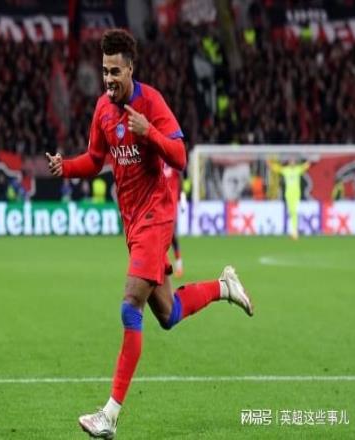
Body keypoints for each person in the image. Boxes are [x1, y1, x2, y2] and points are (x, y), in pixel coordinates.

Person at [46, 29, 254, 439]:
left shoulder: (152, 103)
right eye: (105, 71)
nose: (109, 79)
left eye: (115, 71)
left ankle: (109, 415)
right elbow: (95, 159)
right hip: (133, 223)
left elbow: (180, 156)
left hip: (156, 218)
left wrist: (149, 133)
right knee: (168, 314)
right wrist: (65, 167)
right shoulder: (103, 110)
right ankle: (224, 287)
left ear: (130, 69)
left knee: (130, 307)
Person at [268, 158, 310, 240]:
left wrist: (309, 160)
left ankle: (294, 232)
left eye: (293, 161)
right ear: (289, 163)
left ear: (295, 163)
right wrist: (270, 164)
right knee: (291, 212)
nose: (292, 163)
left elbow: (306, 166)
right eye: (291, 161)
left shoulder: (298, 169)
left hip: (296, 194)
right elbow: (277, 168)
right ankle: (294, 231)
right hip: (288, 194)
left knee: (294, 212)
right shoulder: (286, 170)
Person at [163, 163, 184, 277]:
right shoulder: (158, 161)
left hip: (172, 202)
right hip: (159, 201)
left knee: (172, 234)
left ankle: (178, 265)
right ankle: (163, 264)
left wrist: (182, 197)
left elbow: (180, 177)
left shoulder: (173, 161)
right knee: (160, 234)